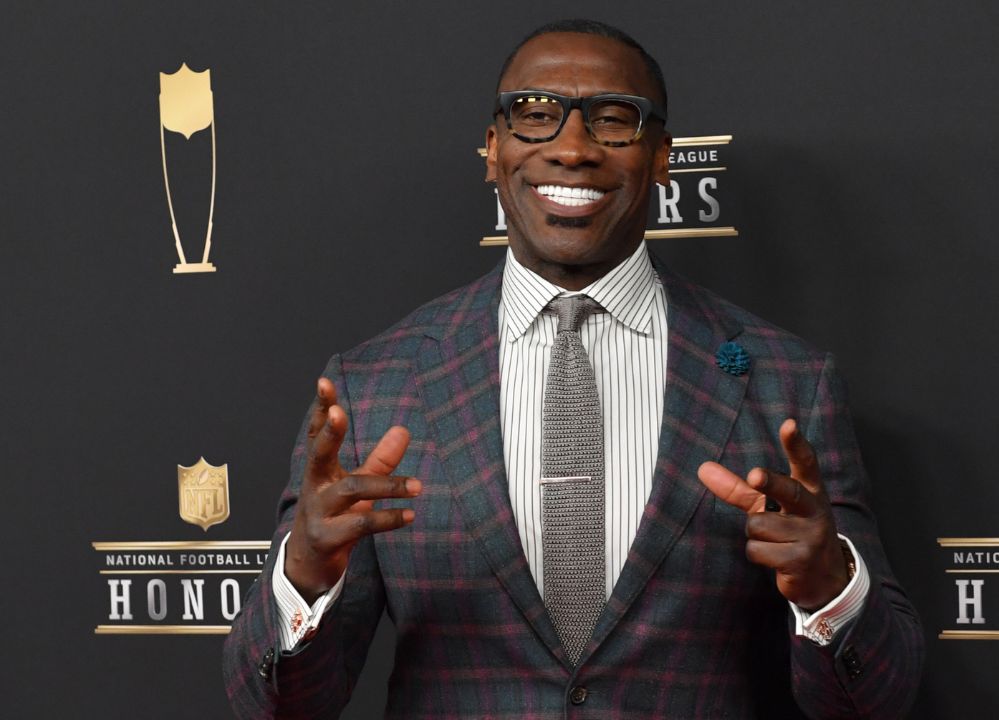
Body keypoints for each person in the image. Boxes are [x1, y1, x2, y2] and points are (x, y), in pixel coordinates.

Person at [223, 19, 923, 719]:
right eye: (536, 116)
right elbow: (274, 707)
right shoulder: (373, 386)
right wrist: (304, 577)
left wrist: (830, 590)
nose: (572, 148)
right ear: (493, 150)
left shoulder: (788, 383)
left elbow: (876, 702)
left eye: (614, 121)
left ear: (661, 157)